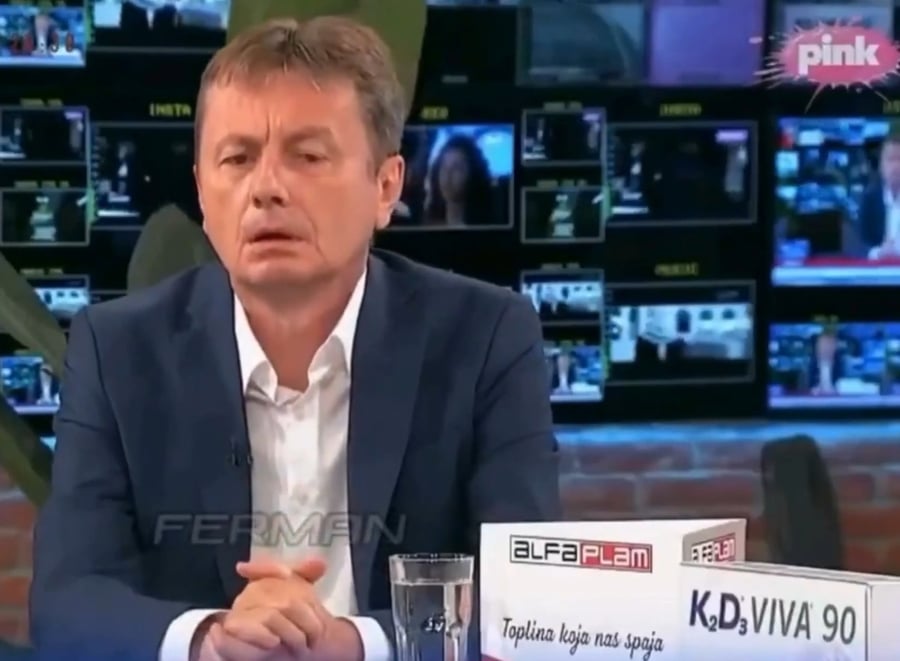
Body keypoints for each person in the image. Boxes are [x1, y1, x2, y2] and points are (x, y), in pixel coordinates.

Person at [30, 15, 560, 661]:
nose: (266, 189)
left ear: (385, 186)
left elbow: (527, 599)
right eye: (237, 158)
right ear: (202, 191)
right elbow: (69, 603)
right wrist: (212, 639)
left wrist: (352, 643)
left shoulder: (485, 337)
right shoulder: (118, 350)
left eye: (308, 157)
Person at [423, 134, 493, 226]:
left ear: (473, 173)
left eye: (457, 168)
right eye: (444, 167)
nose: (447, 176)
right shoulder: (427, 224)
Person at [858, 135, 900, 260]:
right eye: (890, 159)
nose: (896, 166)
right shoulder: (869, 199)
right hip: (879, 268)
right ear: (881, 166)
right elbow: (859, 245)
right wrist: (879, 252)